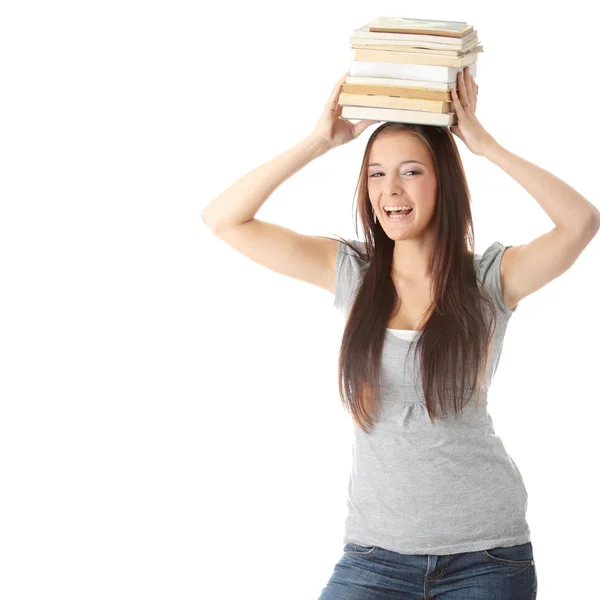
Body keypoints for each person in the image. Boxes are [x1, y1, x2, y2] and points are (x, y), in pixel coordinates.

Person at [202, 66, 600, 599]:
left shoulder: (489, 280)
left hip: (486, 556)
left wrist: (484, 144)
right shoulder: (352, 272)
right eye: (375, 174)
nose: (390, 189)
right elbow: (225, 219)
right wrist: (320, 140)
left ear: (443, 182)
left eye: (410, 172)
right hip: (374, 557)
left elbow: (581, 223)